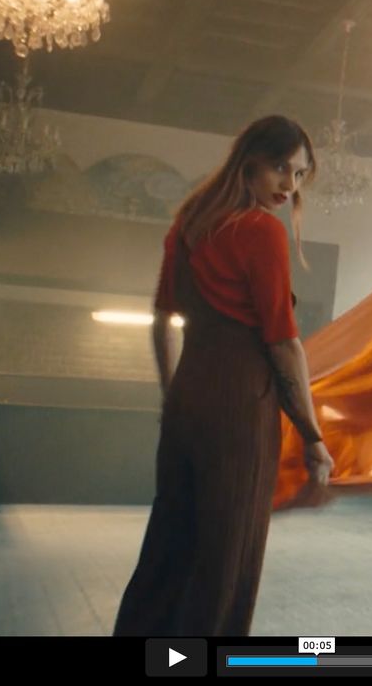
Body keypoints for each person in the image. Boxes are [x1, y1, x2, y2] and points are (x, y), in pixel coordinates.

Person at [114, 115, 334, 636]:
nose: (289, 185)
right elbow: (282, 343)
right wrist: (312, 436)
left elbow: (162, 318)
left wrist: (172, 395)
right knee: (226, 558)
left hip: (189, 394)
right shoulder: (261, 231)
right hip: (242, 403)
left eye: (300, 175)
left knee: (168, 547)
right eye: (281, 167)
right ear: (249, 160)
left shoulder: (188, 223)